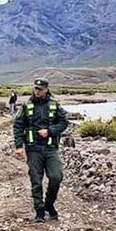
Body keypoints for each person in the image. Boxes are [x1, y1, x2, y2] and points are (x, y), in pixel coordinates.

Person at [13, 77, 68, 223]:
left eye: (40, 89)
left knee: (56, 176)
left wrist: (50, 131)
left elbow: (64, 122)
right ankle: (39, 210)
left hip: (50, 149)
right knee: (36, 180)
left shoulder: (54, 105)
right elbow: (18, 125)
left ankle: (49, 204)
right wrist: (19, 146)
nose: (37, 91)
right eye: (35, 89)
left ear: (46, 89)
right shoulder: (26, 106)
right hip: (33, 149)